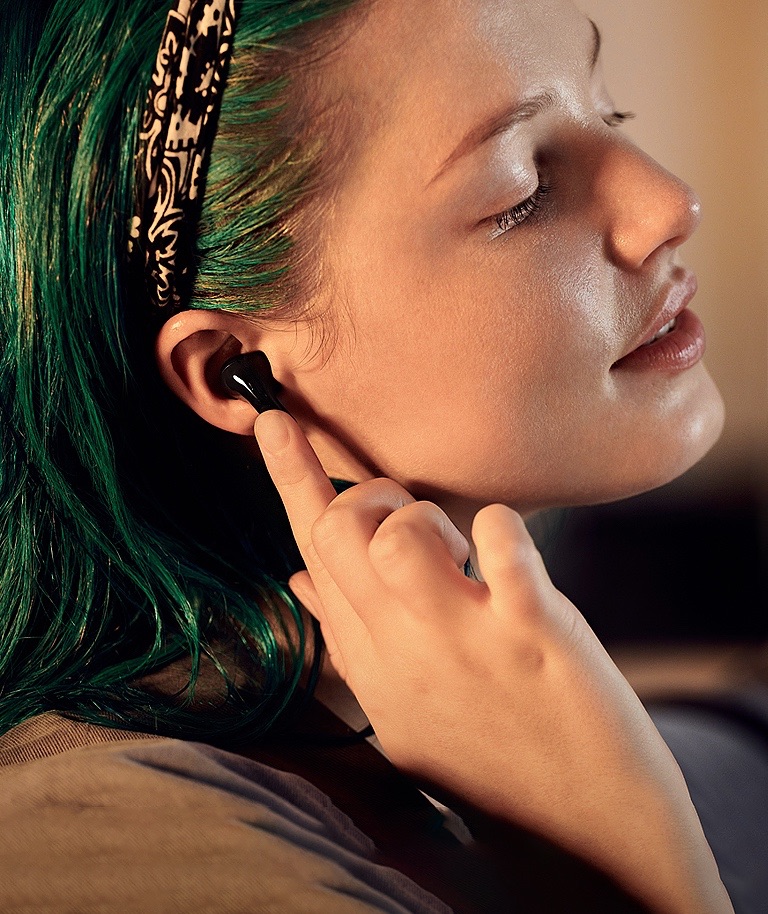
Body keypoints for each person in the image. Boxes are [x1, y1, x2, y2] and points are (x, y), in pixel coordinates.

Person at [0, 0, 743, 910]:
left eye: (610, 114)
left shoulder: (480, 725)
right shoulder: (120, 843)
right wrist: (630, 865)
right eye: (523, 191)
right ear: (239, 373)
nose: (672, 203)